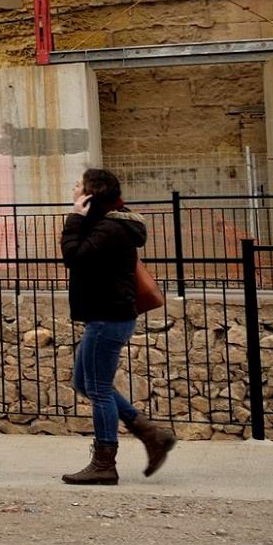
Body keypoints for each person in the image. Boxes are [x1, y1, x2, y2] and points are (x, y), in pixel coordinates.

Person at [60, 167, 178, 485]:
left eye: (78, 185)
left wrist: (73, 218)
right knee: (85, 382)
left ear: (90, 195)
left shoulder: (110, 229)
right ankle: (150, 433)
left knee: (98, 390)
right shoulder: (108, 222)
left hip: (107, 319)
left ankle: (104, 463)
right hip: (104, 317)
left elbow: (74, 255)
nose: (73, 188)